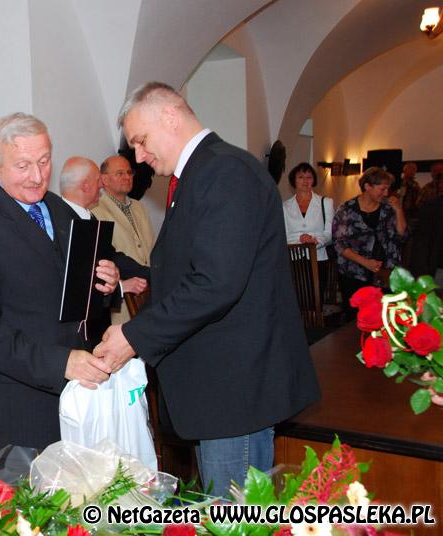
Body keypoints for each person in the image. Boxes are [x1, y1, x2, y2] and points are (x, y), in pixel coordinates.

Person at [93, 82, 319, 495]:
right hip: (220, 384)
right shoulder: (203, 172)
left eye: (141, 141)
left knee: (234, 515)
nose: (139, 156)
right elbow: (185, 270)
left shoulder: (224, 171)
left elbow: (216, 282)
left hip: (235, 387)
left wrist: (134, 335)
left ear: (170, 116)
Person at [0, 113, 119, 453]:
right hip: (20, 404)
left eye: (44, 161)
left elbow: (69, 293)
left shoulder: (60, 208)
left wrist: (104, 286)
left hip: (80, 395)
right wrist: (60, 363)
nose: (37, 177)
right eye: (23, 166)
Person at [59, 156, 149, 347]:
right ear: (85, 186)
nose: (101, 185)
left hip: (95, 327)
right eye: (98, 180)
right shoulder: (63, 222)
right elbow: (78, 285)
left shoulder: (87, 217)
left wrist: (152, 274)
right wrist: (121, 287)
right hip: (76, 335)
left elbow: (112, 257)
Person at [332, 167, 407, 312]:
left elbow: (402, 235)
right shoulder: (347, 209)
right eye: (382, 189)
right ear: (367, 186)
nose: (386, 193)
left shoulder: (388, 209)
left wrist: (398, 210)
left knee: (384, 315)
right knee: (356, 316)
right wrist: (366, 262)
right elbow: (339, 244)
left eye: (388, 189)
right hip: (354, 272)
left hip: (384, 274)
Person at [92, 155, 156, 323]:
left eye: (129, 172)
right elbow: (106, 257)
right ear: (104, 179)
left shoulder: (140, 207)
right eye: (120, 173)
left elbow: (153, 247)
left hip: (150, 293)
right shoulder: (95, 210)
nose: (127, 177)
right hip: (122, 299)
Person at [282, 162, 333, 302]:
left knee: (316, 299)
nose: (305, 181)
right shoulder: (285, 206)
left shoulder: (326, 202)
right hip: (294, 260)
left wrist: (315, 241)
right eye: (301, 177)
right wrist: (300, 239)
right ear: (294, 180)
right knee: (296, 300)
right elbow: (284, 235)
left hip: (318, 257)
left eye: (309, 177)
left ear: (314, 180)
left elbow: (329, 234)